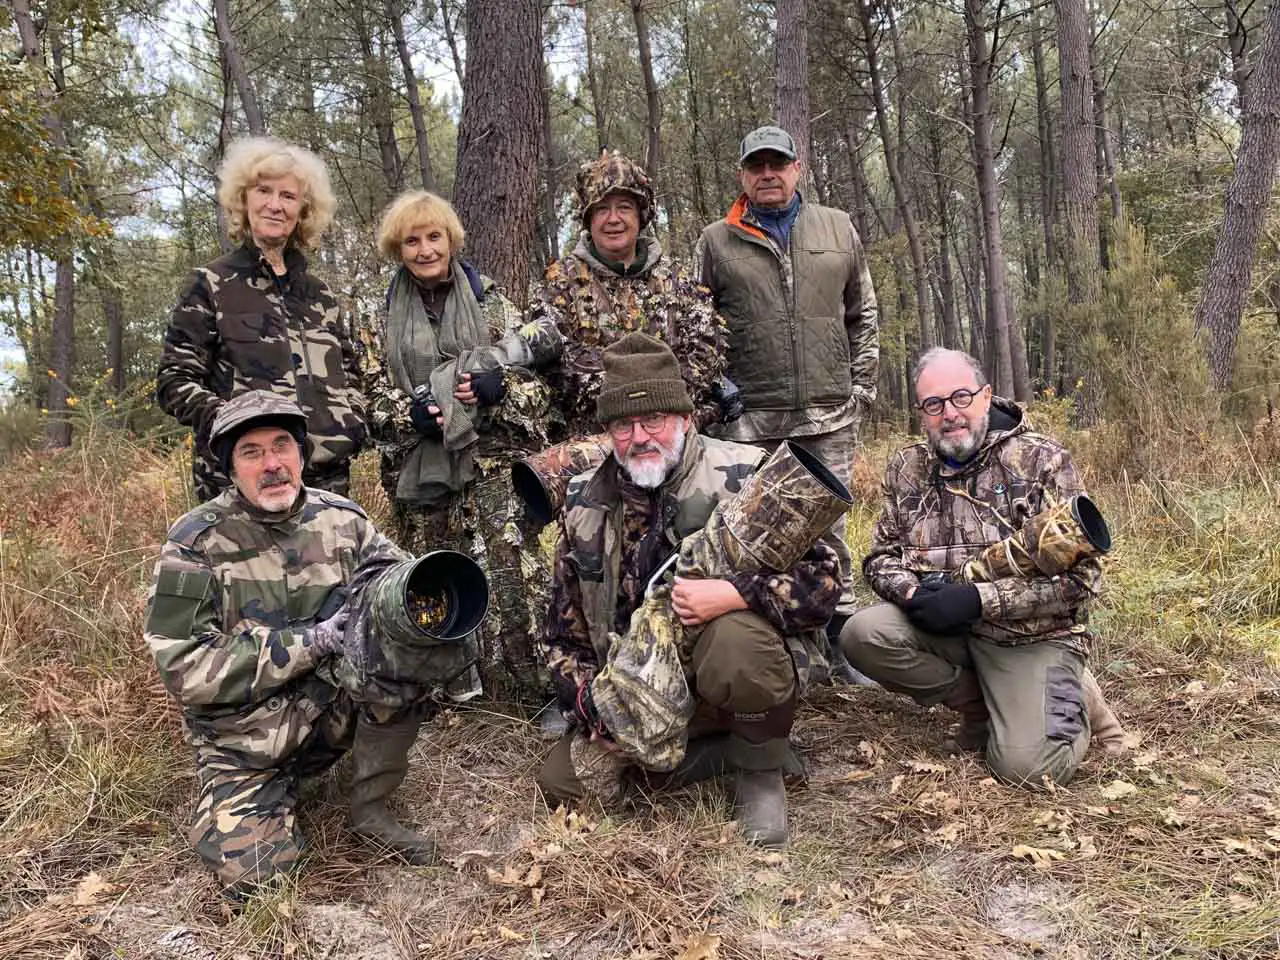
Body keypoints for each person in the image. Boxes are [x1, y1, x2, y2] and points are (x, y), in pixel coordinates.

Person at [537, 333, 841, 848]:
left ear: (684, 419)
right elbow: (559, 631)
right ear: (608, 432)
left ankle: (760, 767)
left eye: (653, 420)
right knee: (562, 785)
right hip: (639, 685)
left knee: (735, 641)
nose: (639, 436)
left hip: (727, 674)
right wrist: (588, 703)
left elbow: (824, 586)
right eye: (622, 425)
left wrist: (737, 594)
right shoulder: (584, 500)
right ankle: (722, 753)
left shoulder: (746, 474)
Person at [144, 391, 445, 901]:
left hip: (329, 708)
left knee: (405, 656)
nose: (272, 465)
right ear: (230, 469)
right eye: (251, 452)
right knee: (261, 881)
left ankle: (370, 809)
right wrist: (316, 639)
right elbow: (184, 668)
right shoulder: (194, 543)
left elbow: (403, 588)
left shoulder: (344, 520)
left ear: (302, 454)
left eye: (282, 446)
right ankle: (240, 800)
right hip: (243, 740)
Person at [841, 348, 1125, 788]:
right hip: (947, 633)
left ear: (986, 395)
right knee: (862, 635)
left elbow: (1082, 581)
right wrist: (913, 594)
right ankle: (979, 704)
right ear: (922, 411)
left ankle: (1077, 696)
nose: (949, 414)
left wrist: (978, 600)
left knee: (1027, 770)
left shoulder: (1041, 460)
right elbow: (880, 558)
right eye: (933, 405)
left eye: (960, 398)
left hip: (1027, 638)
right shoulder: (906, 467)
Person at [359, 189, 561, 703]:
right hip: (417, 467)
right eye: (412, 241)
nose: (425, 250)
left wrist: (499, 387)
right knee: (426, 576)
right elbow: (366, 390)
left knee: (513, 567)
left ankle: (529, 688)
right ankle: (442, 692)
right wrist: (408, 414)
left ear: (451, 240)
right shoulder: (376, 309)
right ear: (396, 249)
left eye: (434, 237)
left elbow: (539, 381)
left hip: (489, 459)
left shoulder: (488, 296)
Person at [695, 125, 879, 680]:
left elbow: (863, 314)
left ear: (798, 168)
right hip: (751, 423)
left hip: (828, 415)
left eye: (778, 164)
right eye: (757, 166)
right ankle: (773, 644)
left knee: (830, 533)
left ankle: (838, 639)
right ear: (742, 175)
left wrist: (862, 390)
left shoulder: (837, 227)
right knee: (757, 531)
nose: (768, 174)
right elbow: (698, 328)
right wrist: (718, 393)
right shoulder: (715, 241)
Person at [157, 136, 365, 502]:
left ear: (303, 209)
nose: (274, 205)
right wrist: (237, 427)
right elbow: (174, 381)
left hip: (325, 484)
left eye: (288, 196)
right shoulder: (210, 284)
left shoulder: (320, 295)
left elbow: (351, 374)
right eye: (263, 191)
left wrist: (353, 424)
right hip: (242, 485)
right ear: (243, 199)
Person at [528, 150, 733, 440]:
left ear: (641, 215)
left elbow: (704, 350)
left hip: (673, 437)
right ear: (588, 219)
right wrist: (630, 399)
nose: (613, 219)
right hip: (593, 444)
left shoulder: (678, 279)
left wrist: (660, 403)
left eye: (624, 207)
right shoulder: (559, 285)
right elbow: (558, 362)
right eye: (601, 209)